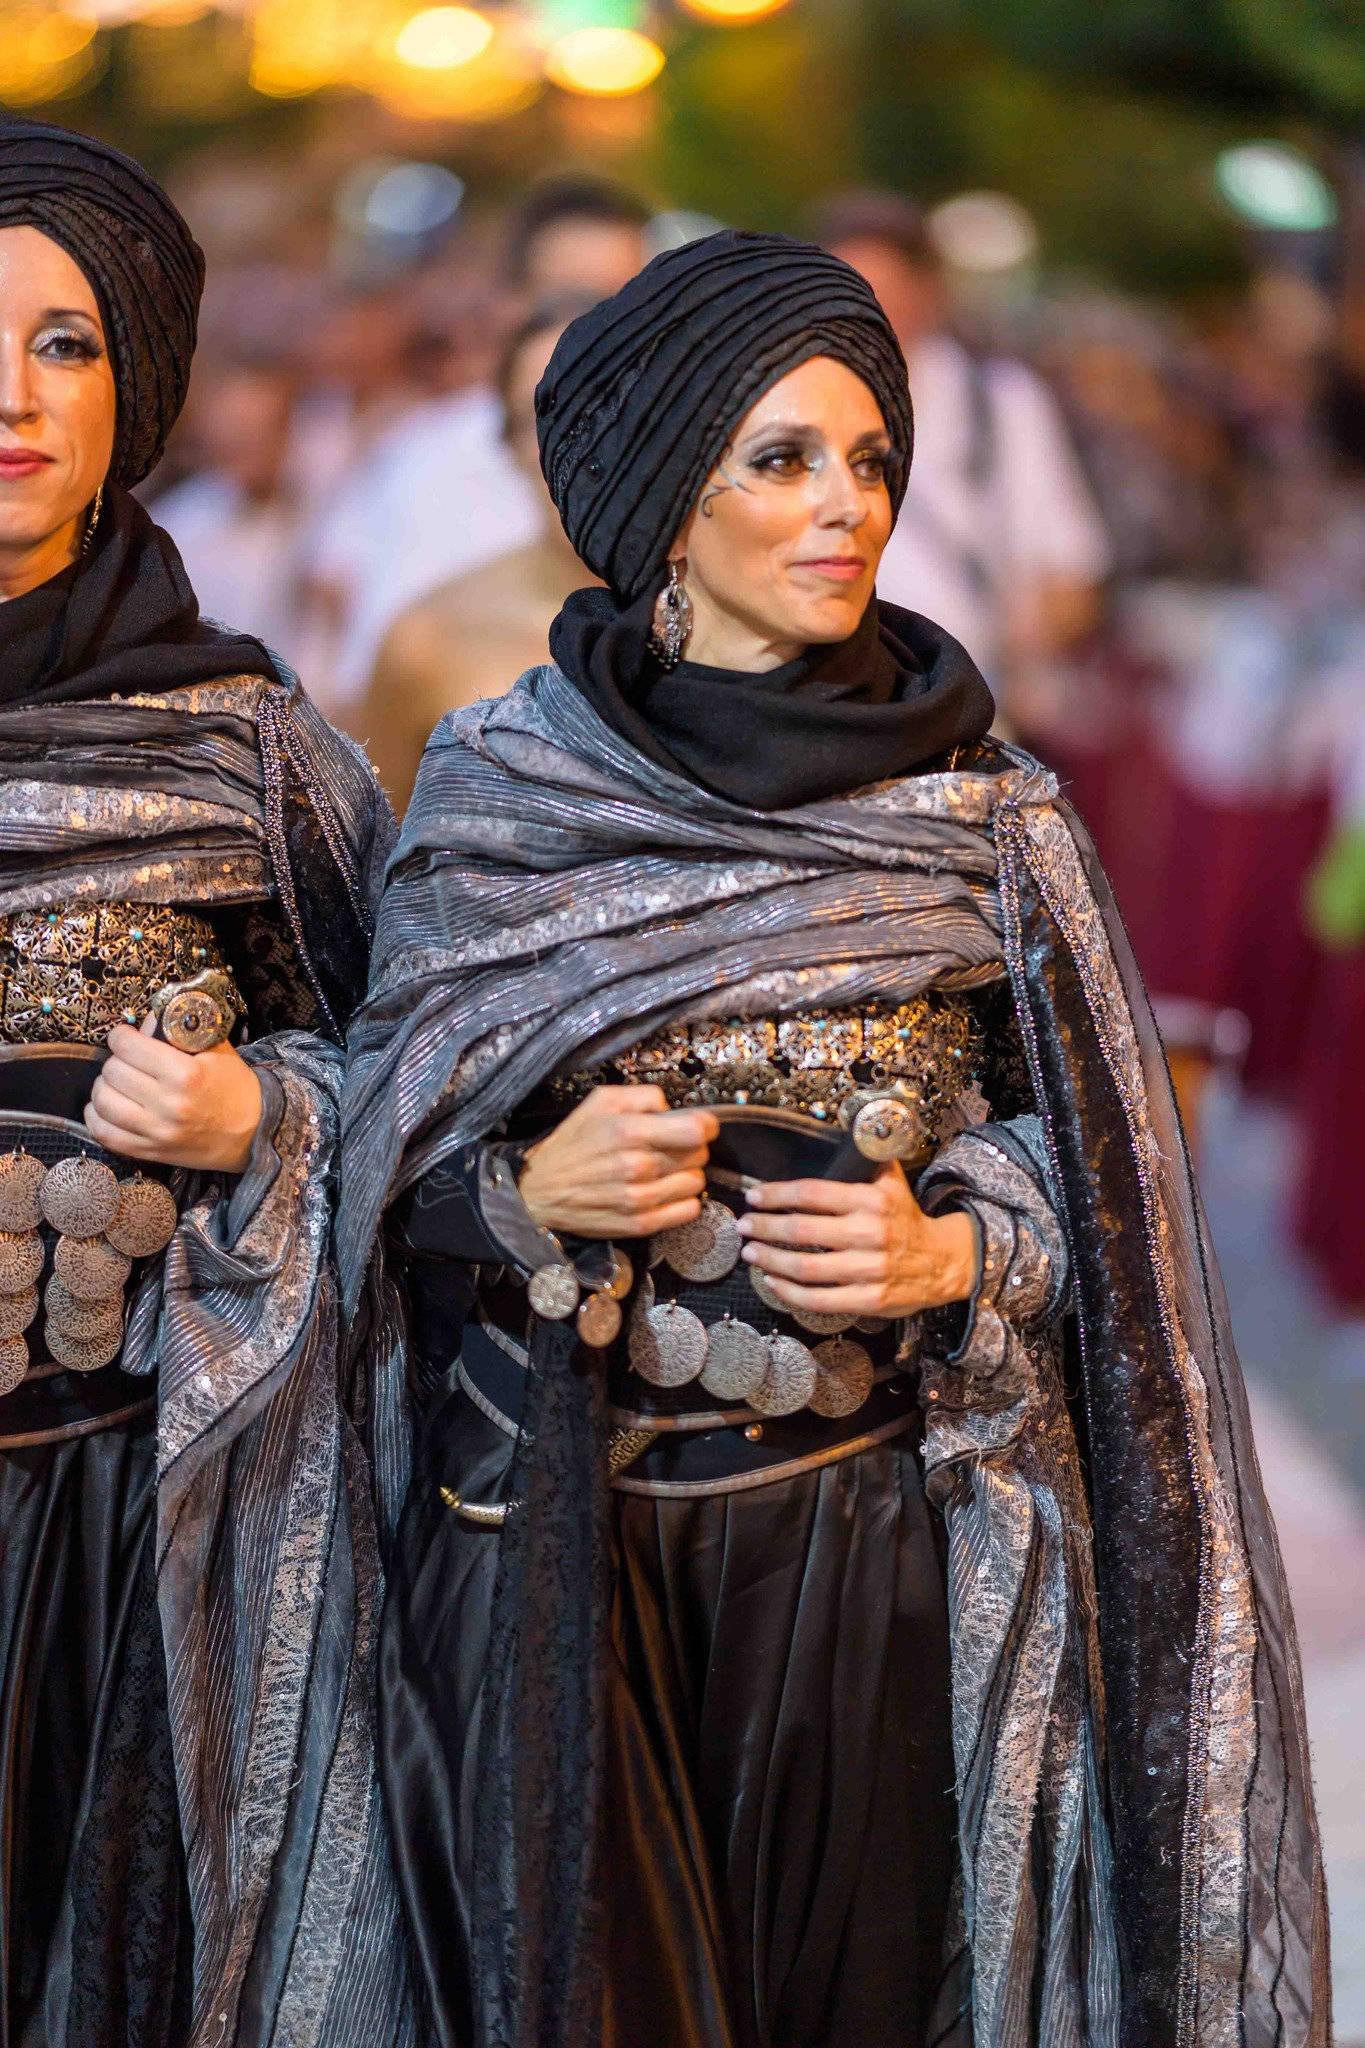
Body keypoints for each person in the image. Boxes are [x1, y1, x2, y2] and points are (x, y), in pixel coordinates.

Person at [341, 233, 1328, 2048]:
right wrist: (521, 1190)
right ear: (665, 499)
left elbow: (1116, 1179)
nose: (847, 504)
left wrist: (960, 1245)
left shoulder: (985, 810)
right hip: (573, 1569)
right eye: (782, 459)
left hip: (891, 1560)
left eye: (871, 458)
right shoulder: (503, 786)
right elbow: (375, 1152)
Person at [0, 117, 414, 2044]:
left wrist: (268, 1118)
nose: (12, 397)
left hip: (136, 1541)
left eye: (64, 343)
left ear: (137, 384)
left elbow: (429, 1098)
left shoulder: (246, 751)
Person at [314, 178, 651, 719]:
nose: (600, 332)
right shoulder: (425, 465)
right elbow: (376, 695)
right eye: (571, 299)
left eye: (628, 302)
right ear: (511, 305)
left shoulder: (702, 460)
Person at [817, 189, 1112, 699]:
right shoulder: (793, 409)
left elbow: (1071, 575)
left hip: (969, 698)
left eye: (882, 291)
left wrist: (1014, 659)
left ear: (928, 291)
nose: (862, 313)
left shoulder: (1001, 402)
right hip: (836, 694)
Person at [360, 300, 598, 813]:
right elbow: (372, 845)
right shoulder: (428, 640)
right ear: (508, 446)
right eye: (542, 416)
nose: (576, 444)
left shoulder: (736, 623)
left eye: (604, 406)